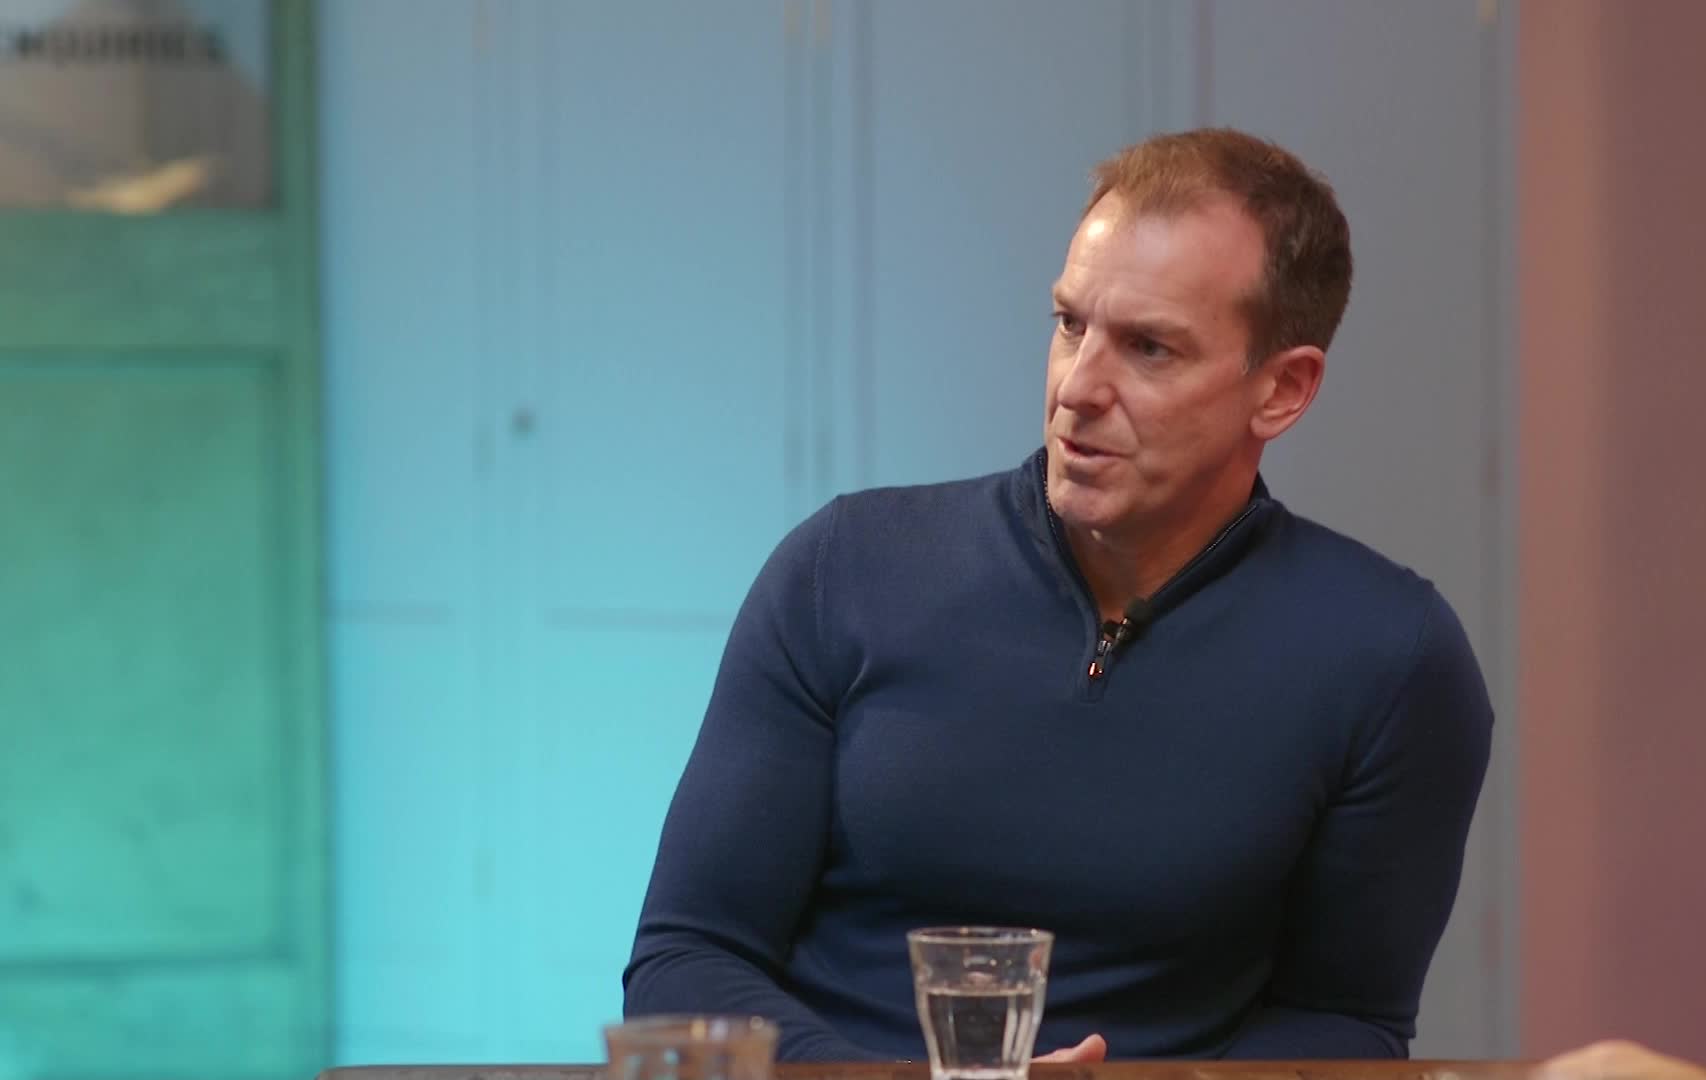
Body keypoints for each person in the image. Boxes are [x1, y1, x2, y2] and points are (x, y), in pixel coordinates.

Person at [621, 127, 1494, 1063]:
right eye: (1071, 324)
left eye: (1149, 348)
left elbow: (1349, 1024)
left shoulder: (1392, 658)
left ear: (1282, 390)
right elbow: (686, 960)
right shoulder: (844, 568)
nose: (1078, 388)